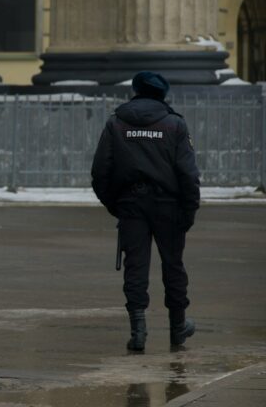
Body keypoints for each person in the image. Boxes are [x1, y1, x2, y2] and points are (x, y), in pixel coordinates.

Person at [91, 71, 199, 351]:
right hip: (169, 206)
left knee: (135, 267)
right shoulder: (175, 125)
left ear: (136, 91)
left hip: (132, 205)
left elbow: (100, 171)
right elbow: (188, 173)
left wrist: (116, 205)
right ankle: (177, 327)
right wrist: (189, 210)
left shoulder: (116, 123)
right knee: (173, 265)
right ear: (162, 94)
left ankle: (137, 331)